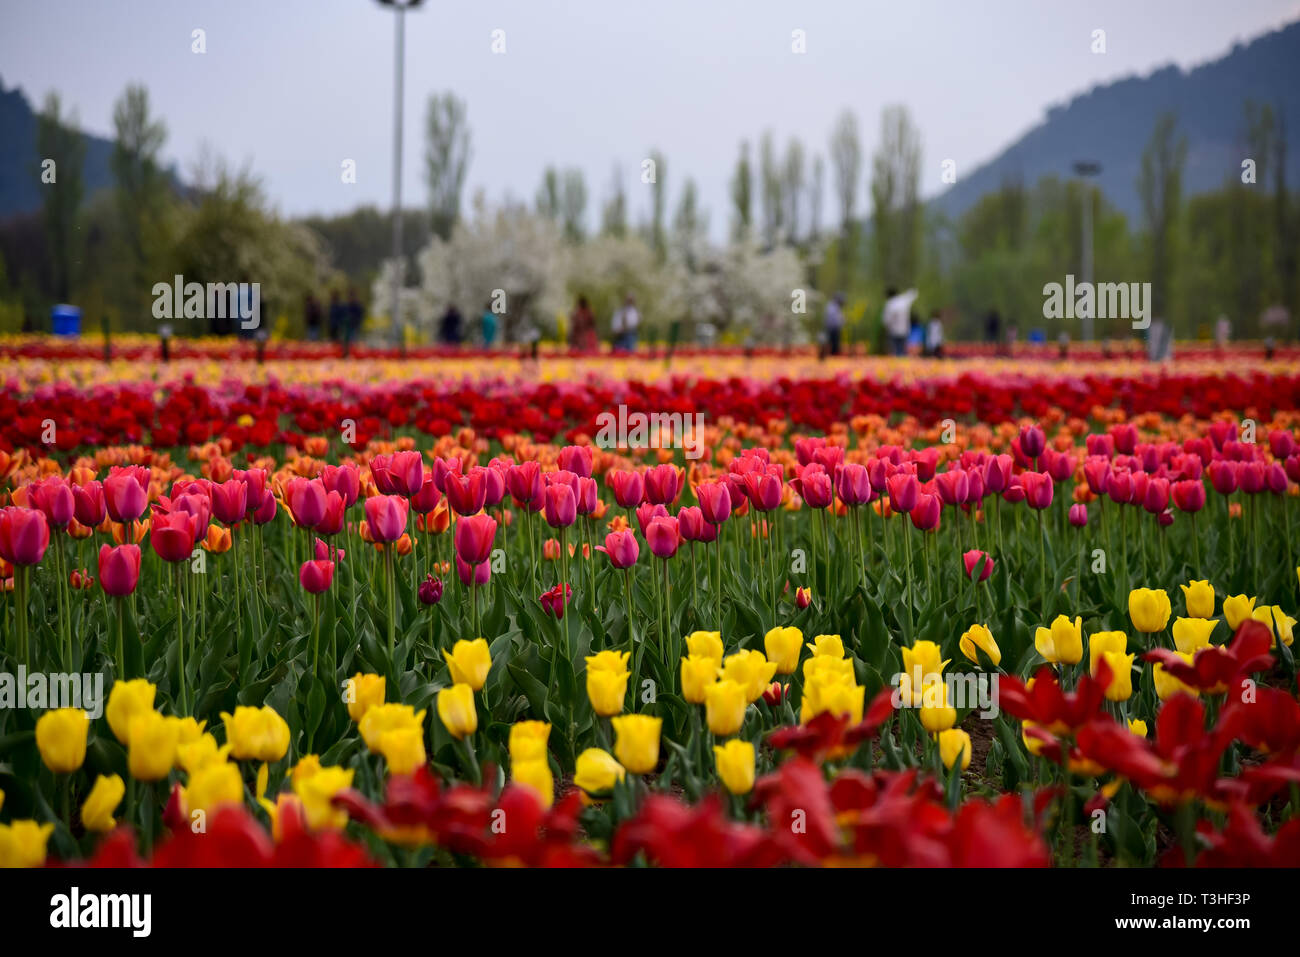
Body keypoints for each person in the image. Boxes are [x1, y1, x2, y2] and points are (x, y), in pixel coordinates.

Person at [881, 287, 918, 356]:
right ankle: (902, 364)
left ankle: (896, 364)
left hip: (893, 330)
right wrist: (914, 287)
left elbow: (886, 319)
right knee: (902, 349)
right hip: (904, 329)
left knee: (895, 350)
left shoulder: (889, 304)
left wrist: (886, 328)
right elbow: (913, 294)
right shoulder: (903, 300)